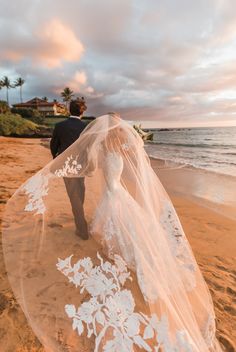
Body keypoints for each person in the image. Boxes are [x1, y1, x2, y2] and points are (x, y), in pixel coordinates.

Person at [2, 114, 223, 352]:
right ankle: (115, 241)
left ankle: (114, 243)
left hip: (113, 191)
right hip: (115, 190)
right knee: (118, 218)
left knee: (116, 219)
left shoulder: (105, 144)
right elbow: (129, 157)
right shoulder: (117, 144)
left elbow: (95, 160)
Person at [50, 97, 88, 239]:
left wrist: (56, 158)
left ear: (68, 110)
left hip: (66, 165)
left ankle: (82, 228)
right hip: (81, 165)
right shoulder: (86, 127)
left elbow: (54, 144)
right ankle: (80, 222)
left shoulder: (60, 126)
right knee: (79, 191)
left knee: (74, 195)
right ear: (82, 112)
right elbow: (88, 147)